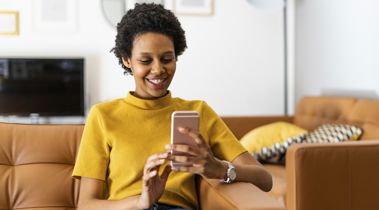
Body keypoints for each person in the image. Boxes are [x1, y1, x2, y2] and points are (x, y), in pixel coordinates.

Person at [72, 3, 272, 210]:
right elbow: (86, 205)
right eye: (146, 60)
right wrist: (141, 202)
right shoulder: (103, 116)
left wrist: (218, 168)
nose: (158, 69)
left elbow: (265, 180)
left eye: (167, 58)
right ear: (127, 60)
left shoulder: (199, 111)